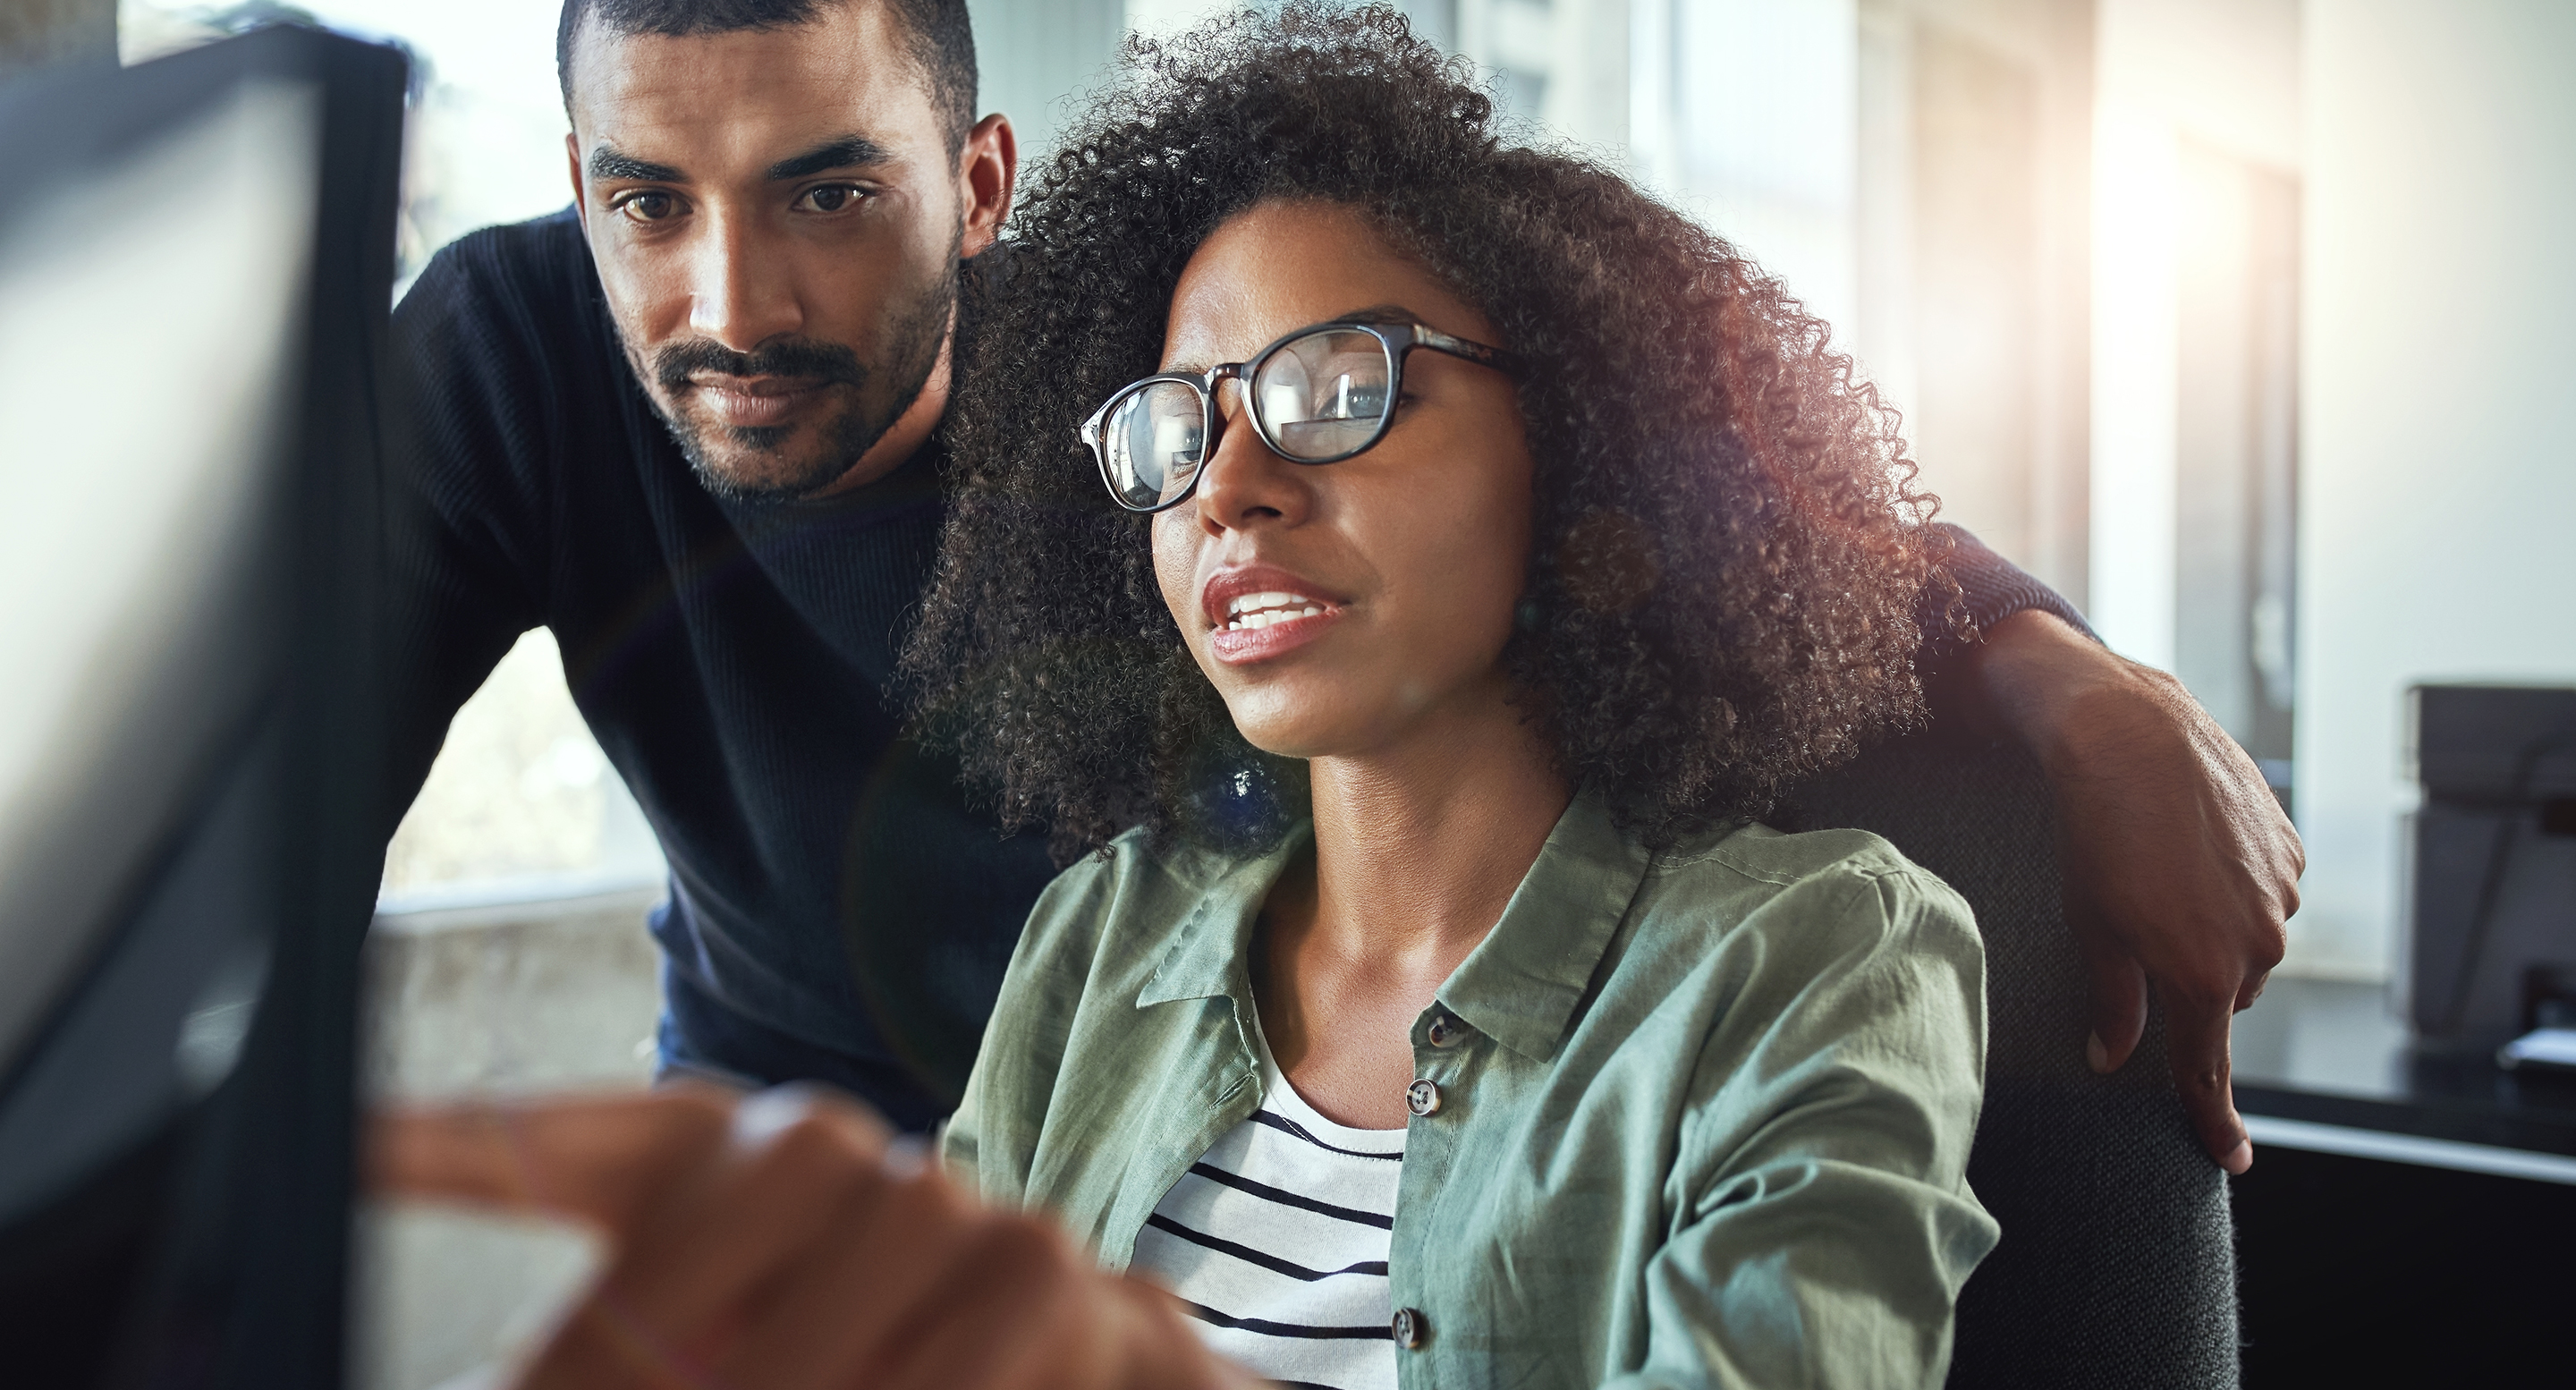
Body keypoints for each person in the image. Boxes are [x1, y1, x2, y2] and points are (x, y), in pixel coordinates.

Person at [374, 13, 1999, 1385]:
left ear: (1580, 434)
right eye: (1178, 426)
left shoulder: (1808, 960)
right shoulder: (1095, 945)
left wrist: (2058, 667)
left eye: (1335, 388)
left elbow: (1804, 501)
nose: (1226, 485)